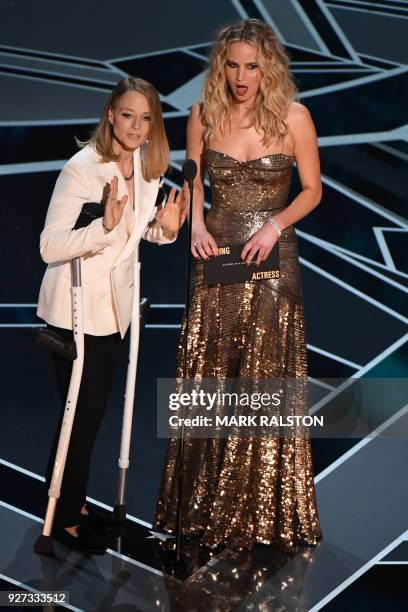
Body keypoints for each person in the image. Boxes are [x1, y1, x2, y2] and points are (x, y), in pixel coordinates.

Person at [154, 19, 322, 551]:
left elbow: (313, 190)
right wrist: (197, 224)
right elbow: (192, 179)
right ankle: (203, 507)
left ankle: (262, 515)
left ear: (267, 66)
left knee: (263, 375)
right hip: (216, 255)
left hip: (273, 257)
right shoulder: (203, 115)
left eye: (251, 65)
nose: (241, 75)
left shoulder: (295, 117)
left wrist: (274, 226)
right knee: (210, 373)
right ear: (220, 66)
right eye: (232, 64)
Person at [37, 77, 186, 555]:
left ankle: (74, 502)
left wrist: (164, 230)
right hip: (76, 311)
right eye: (128, 115)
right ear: (110, 115)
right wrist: (102, 226)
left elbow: (137, 235)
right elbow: (49, 246)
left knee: (91, 415)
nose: (136, 127)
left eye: (146, 118)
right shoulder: (83, 169)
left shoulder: (147, 166)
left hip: (114, 312)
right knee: (78, 416)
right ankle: (62, 515)